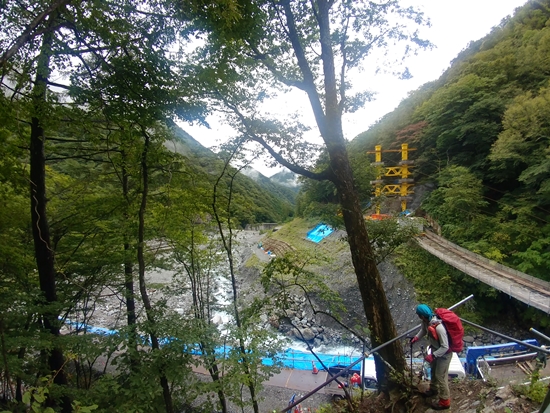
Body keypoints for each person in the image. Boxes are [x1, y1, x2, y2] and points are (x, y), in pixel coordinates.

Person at [410, 304, 452, 410]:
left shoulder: (439, 327)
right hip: (435, 350)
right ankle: (433, 389)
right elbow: (424, 330)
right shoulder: (426, 322)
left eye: (419, 315)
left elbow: (445, 347)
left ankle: (445, 401)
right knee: (433, 370)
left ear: (422, 316)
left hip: (444, 354)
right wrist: (416, 338)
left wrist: (433, 355)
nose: (418, 317)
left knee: (440, 376)